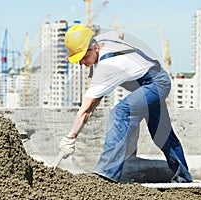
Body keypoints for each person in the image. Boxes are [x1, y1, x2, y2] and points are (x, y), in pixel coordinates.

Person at [58, 24, 193, 183]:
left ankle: (106, 175)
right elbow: (119, 34)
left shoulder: (107, 67)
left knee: (121, 112)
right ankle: (183, 176)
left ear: (94, 48)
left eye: (82, 58)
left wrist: (70, 137)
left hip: (154, 84)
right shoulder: (103, 39)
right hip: (154, 80)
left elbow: (86, 110)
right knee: (161, 133)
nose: (80, 63)